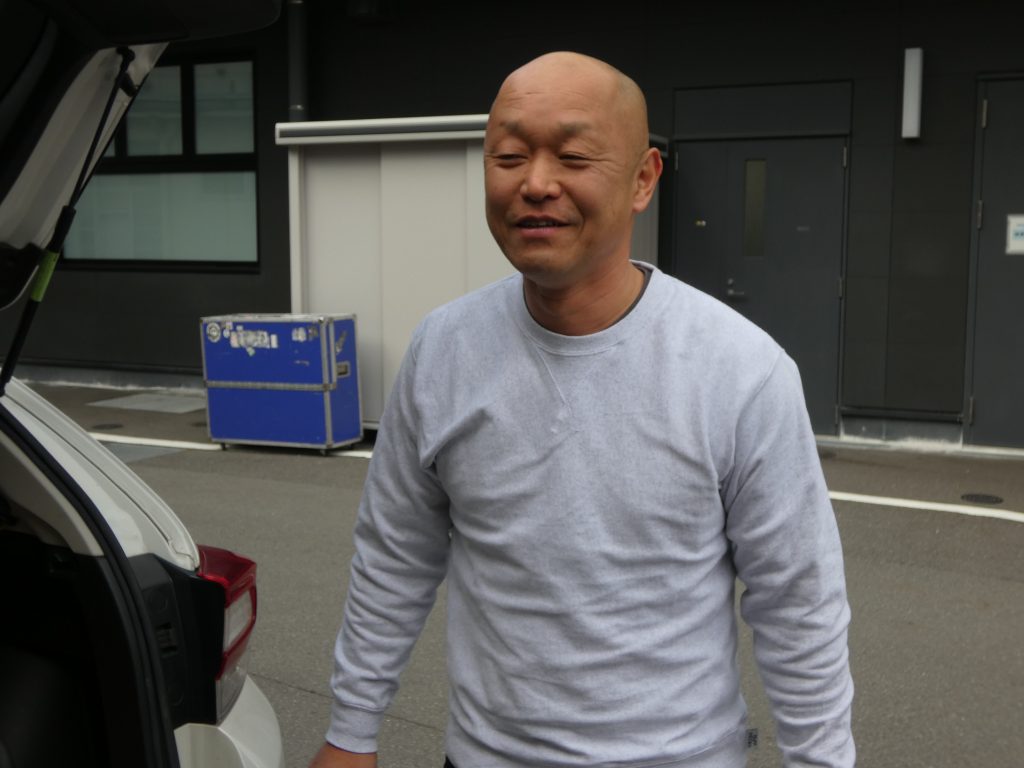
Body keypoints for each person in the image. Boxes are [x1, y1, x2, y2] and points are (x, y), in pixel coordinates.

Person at [310, 51, 854, 768]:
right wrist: (350, 731)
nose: (536, 183)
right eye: (509, 156)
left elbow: (798, 602)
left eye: (572, 156)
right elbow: (394, 555)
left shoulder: (740, 370)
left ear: (643, 180)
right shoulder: (443, 349)